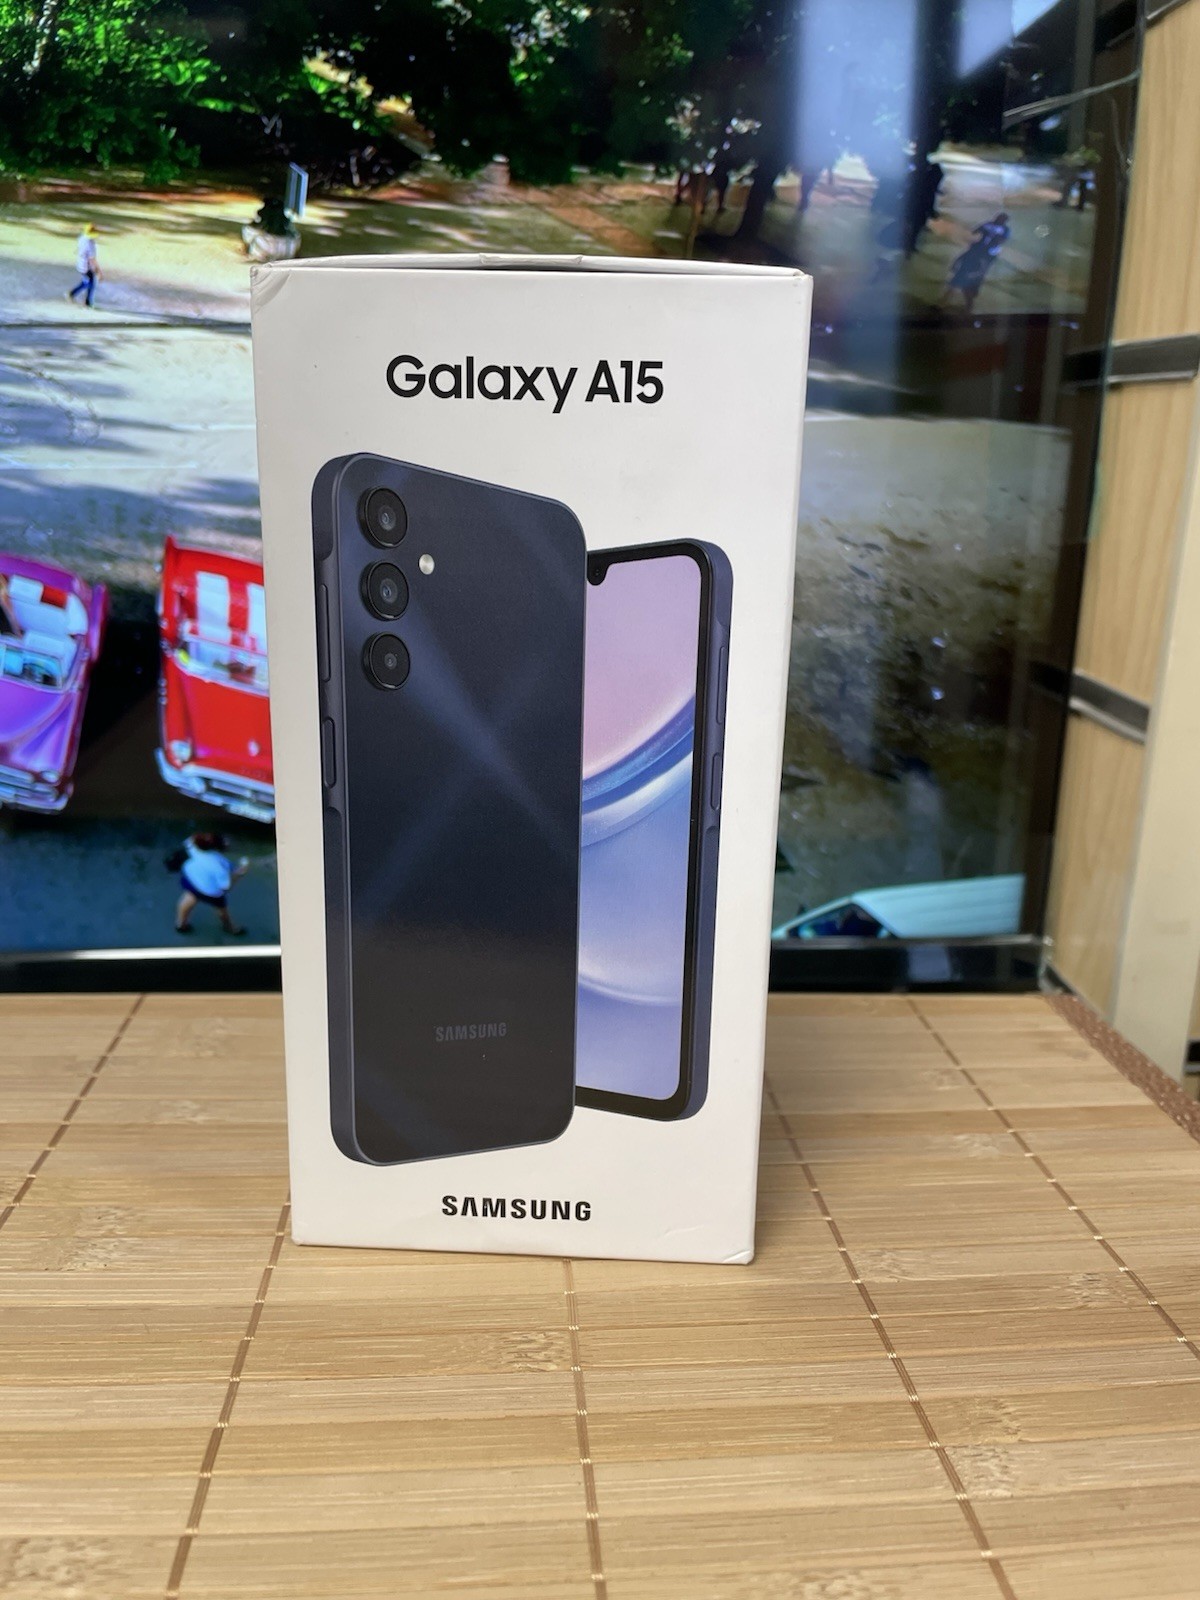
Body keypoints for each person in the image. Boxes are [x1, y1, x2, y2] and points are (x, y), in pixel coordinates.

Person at [175, 831, 249, 935]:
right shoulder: (219, 865)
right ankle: (229, 927)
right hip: (209, 890)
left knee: (188, 898)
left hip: (190, 878)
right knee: (221, 909)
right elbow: (226, 887)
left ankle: (180, 924)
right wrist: (239, 874)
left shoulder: (190, 842)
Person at [943, 212, 1010, 313]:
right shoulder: (988, 228)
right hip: (977, 259)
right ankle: (947, 302)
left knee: (966, 285)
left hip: (982, 260)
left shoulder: (1001, 231)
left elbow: (1001, 240)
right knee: (958, 282)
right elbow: (974, 232)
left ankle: (967, 307)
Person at [68, 223, 101, 308]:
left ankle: (73, 294)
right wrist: (98, 272)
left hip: (80, 264)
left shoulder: (82, 238)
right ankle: (87, 302)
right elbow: (92, 259)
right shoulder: (90, 244)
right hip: (86, 267)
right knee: (90, 284)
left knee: (86, 282)